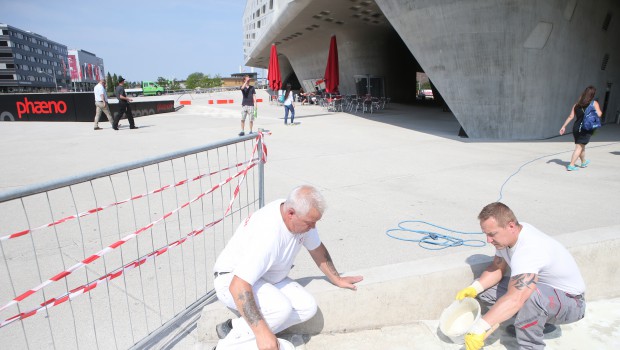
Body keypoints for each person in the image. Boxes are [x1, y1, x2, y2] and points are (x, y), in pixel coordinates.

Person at [212, 185, 363, 350]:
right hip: (231, 279)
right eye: (310, 223)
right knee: (280, 308)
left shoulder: (300, 216)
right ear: (290, 214)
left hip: (264, 276)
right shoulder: (268, 235)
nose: (313, 227)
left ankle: (234, 328)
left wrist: (337, 278)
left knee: (307, 307)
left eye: (315, 222)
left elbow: (316, 248)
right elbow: (238, 286)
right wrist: (263, 334)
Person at [455, 202, 586, 350]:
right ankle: (533, 322)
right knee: (484, 290)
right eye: (486, 234)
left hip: (571, 303)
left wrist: (479, 328)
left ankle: (531, 345)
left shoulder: (529, 250)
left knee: (529, 296)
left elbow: (516, 299)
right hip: (545, 294)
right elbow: (497, 267)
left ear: (511, 226)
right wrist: (474, 288)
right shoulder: (509, 236)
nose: (488, 240)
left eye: (492, 234)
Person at [559, 85, 602, 171]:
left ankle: (583, 162)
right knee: (579, 147)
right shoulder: (594, 103)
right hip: (586, 128)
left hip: (576, 128)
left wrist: (563, 126)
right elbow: (599, 114)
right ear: (592, 95)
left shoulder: (576, 105)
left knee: (581, 145)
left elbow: (571, 116)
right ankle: (571, 165)